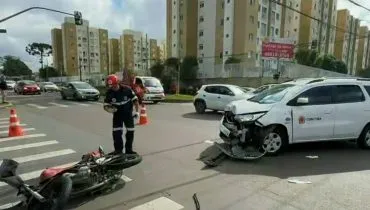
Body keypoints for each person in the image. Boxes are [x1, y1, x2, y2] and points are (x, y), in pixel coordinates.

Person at [103, 74, 140, 155]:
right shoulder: (109, 93)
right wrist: (109, 109)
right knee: (116, 133)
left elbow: (135, 101)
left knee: (130, 132)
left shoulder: (127, 89)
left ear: (118, 83)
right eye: (111, 86)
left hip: (128, 115)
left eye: (114, 85)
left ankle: (129, 150)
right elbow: (105, 105)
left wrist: (136, 112)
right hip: (117, 115)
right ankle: (118, 151)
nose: (113, 87)